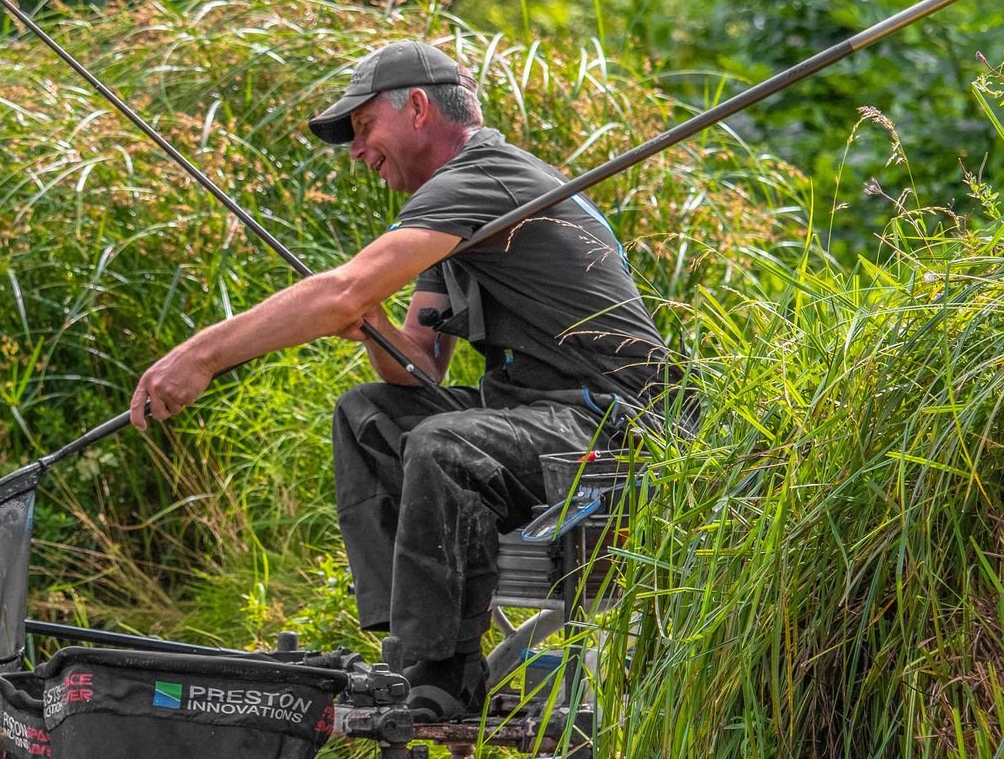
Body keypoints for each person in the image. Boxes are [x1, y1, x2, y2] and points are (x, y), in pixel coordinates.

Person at [130, 40, 677, 718]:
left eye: (362, 129)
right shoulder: (450, 212)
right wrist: (371, 324)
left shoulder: (485, 176)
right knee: (372, 416)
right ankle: (410, 655)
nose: (357, 152)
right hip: (537, 415)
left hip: (613, 423)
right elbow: (417, 365)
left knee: (446, 446)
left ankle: (437, 680)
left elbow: (340, 290)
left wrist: (204, 354)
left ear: (418, 107)